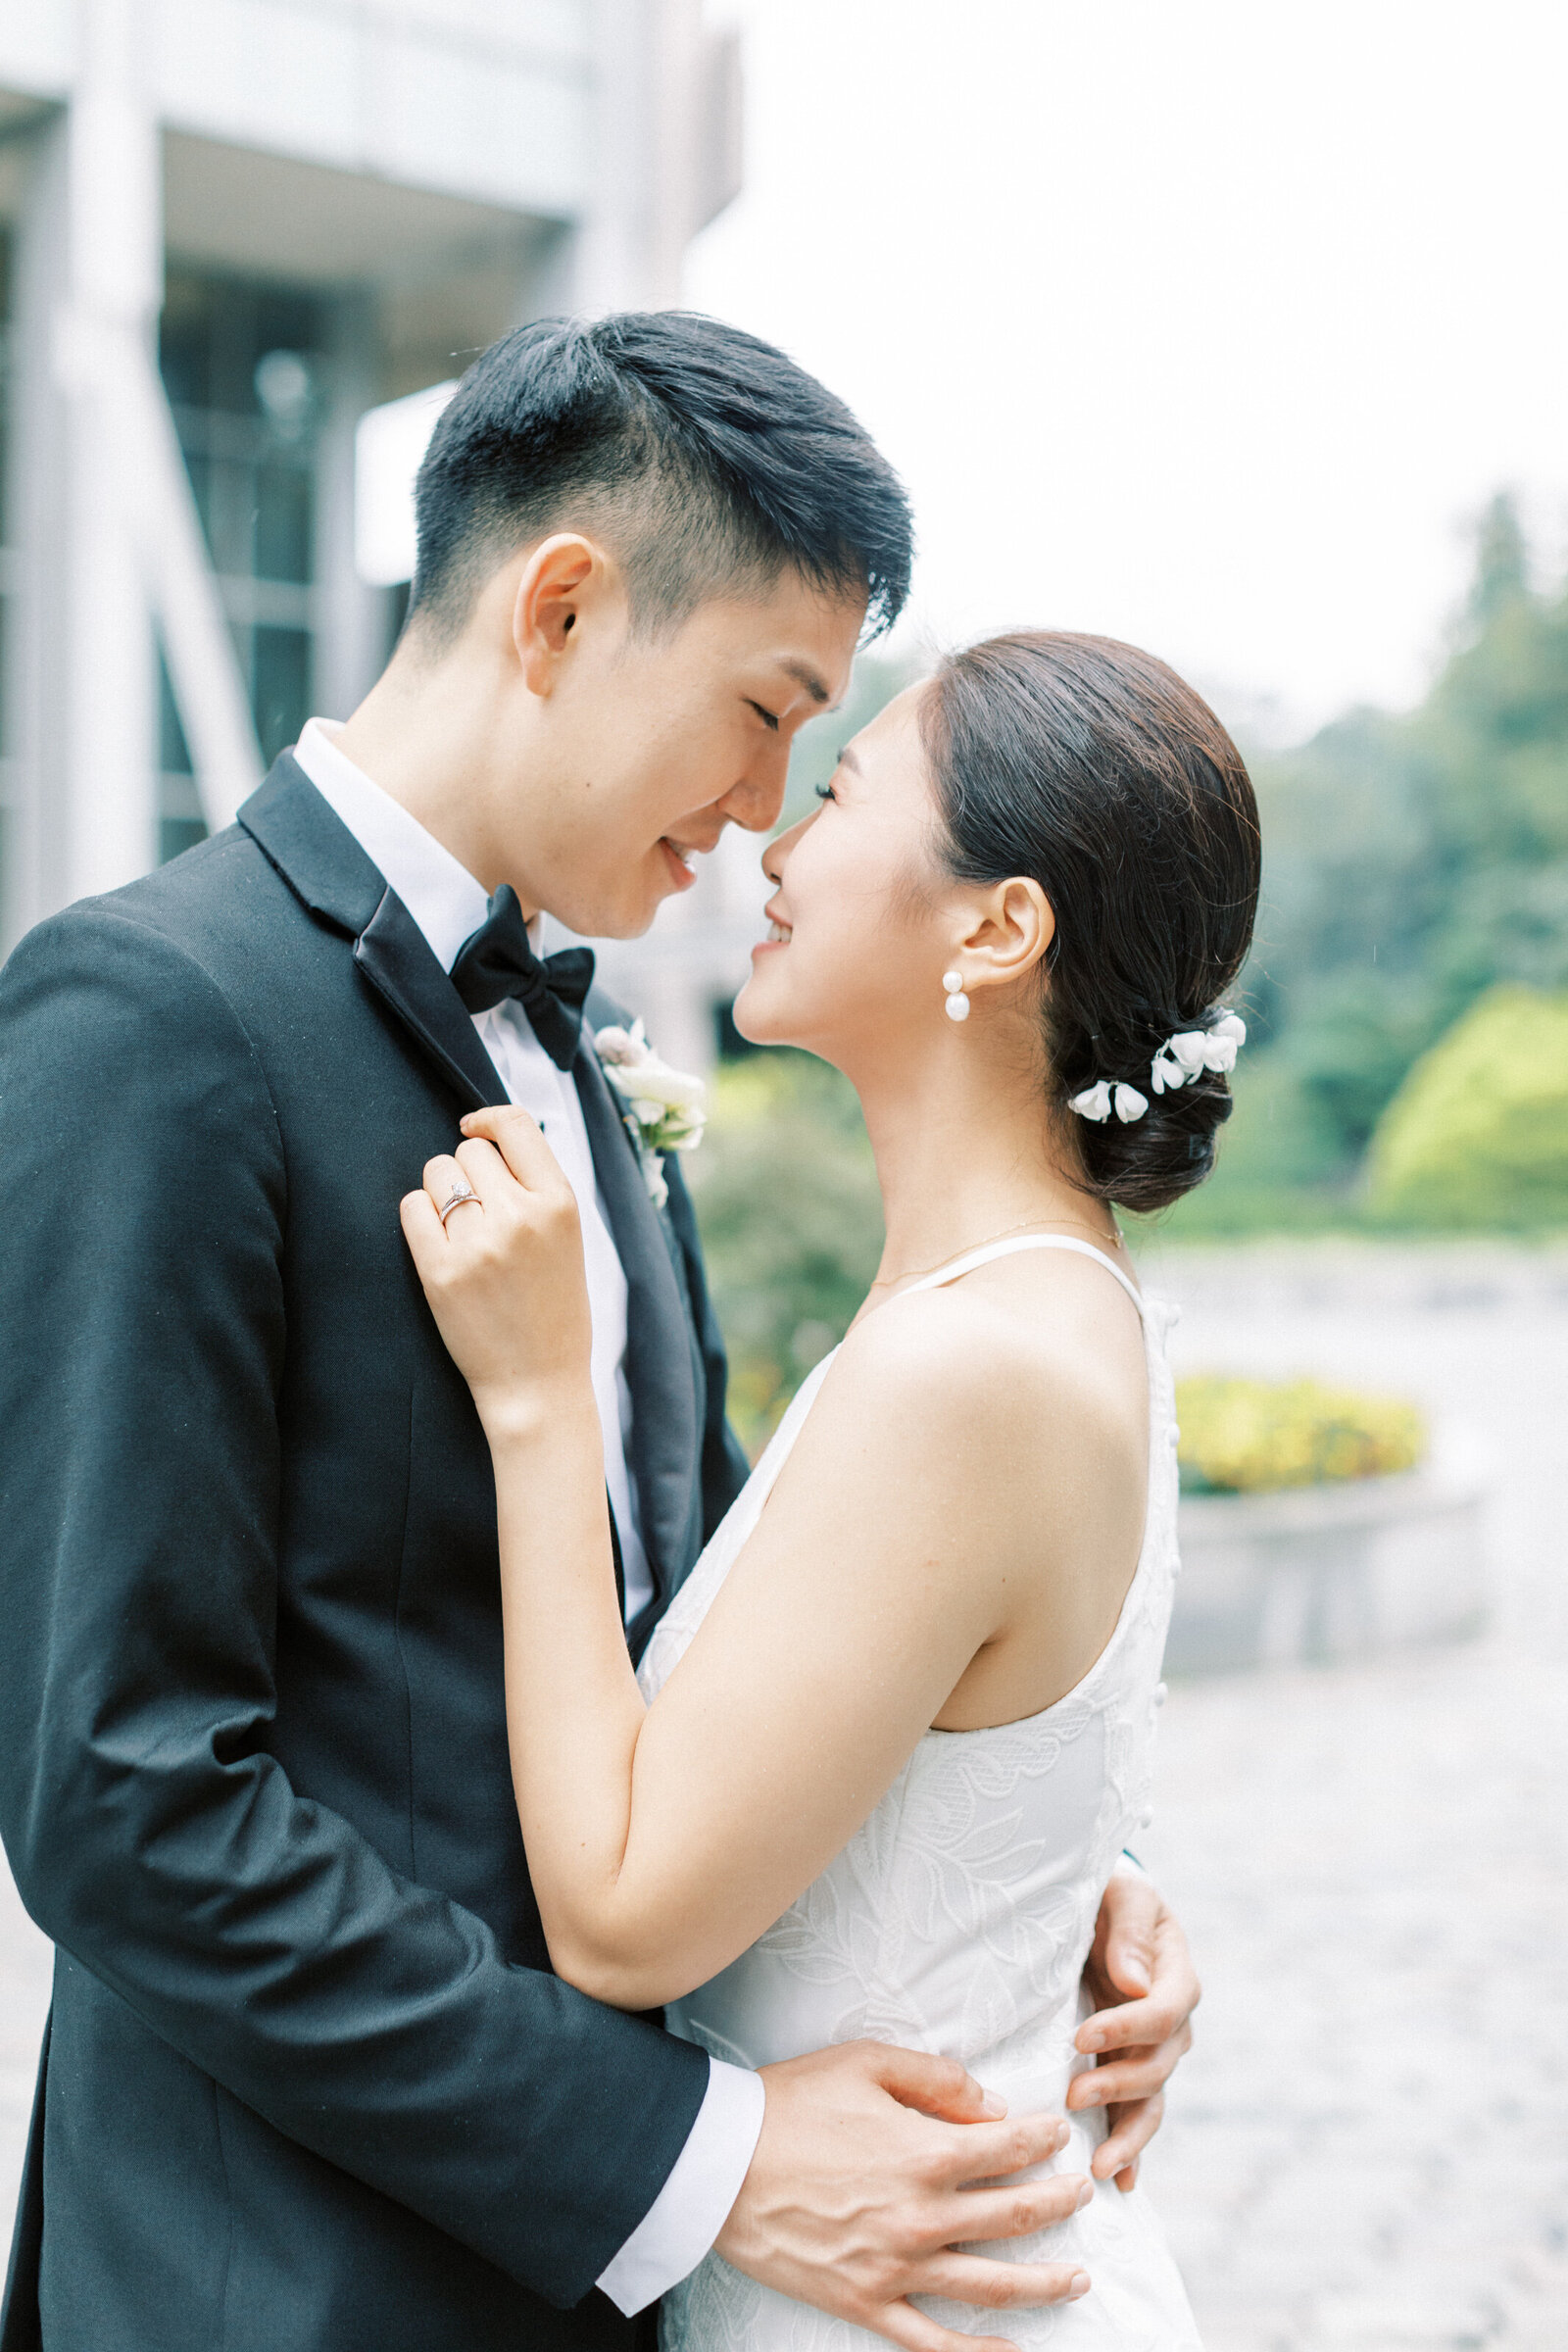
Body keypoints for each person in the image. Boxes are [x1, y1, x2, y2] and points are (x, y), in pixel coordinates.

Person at [0, 316, 1198, 2352]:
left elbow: (742, 1605)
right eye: (759, 708)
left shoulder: (595, 1051)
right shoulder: (153, 1017)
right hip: (286, 2284)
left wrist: (1046, 1866)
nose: (757, 809)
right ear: (560, 607)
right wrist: (700, 2160)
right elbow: (126, 1800)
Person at [403, 628, 1258, 2349]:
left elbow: (629, 1919)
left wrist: (538, 1404)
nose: (775, 844)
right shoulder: (1042, 1301)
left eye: (848, 786)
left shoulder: (967, 1365)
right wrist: (1078, 1878)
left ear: (996, 927)